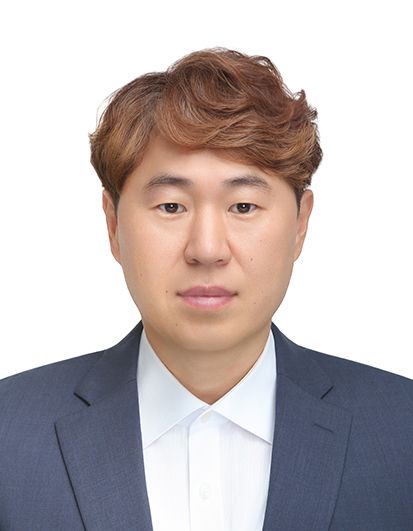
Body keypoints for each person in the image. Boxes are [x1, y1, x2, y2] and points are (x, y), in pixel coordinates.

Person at [0, 47, 412, 531]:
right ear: (113, 225)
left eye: (243, 206)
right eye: (172, 207)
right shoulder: (11, 433)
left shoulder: (400, 431)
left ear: (300, 224)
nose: (208, 249)